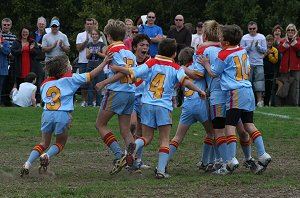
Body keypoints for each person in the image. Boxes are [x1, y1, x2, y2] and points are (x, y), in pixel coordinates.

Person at [111, 38, 206, 178]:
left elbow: (134, 73)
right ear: (174, 54)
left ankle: (134, 146)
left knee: (147, 137)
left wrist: (118, 68)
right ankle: (161, 171)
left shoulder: (151, 62)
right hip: (163, 106)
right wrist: (199, 91)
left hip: (147, 104)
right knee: (164, 139)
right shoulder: (175, 67)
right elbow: (185, 81)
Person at [20, 53, 113, 177]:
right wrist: (104, 62)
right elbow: (91, 75)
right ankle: (47, 155)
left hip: (47, 114)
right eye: (69, 64)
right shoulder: (71, 79)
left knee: (43, 143)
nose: (71, 66)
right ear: (64, 69)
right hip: (63, 114)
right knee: (60, 143)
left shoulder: (44, 84)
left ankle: (27, 163)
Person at [200, 24, 272, 175]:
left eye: (220, 36)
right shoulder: (242, 50)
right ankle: (263, 154)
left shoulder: (223, 54)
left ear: (225, 42)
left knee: (230, 126)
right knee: (249, 125)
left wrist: (206, 64)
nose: (218, 38)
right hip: (247, 89)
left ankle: (231, 160)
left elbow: (214, 73)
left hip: (234, 92)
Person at [94, 19, 137, 175]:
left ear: (109, 36)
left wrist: (103, 82)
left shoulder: (113, 50)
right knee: (125, 130)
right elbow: (133, 72)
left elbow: (120, 71)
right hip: (130, 92)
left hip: (117, 91)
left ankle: (119, 155)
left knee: (100, 124)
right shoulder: (129, 52)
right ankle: (132, 160)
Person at [167, 47, 214, 173]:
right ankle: (205, 162)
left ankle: (163, 163)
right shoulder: (195, 66)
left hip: (187, 105)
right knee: (212, 133)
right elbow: (199, 76)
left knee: (177, 137)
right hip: (200, 102)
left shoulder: (180, 70)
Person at [128, 34, 151, 170]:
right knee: (132, 125)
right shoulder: (130, 61)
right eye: (142, 45)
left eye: (147, 45)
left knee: (142, 131)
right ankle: (129, 153)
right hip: (131, 98)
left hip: (145, 100)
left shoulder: (151, 62)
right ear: (135, 47)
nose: (145, 48)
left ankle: (137, 161)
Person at [240, 21, 267, 107]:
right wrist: (249, 46)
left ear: (257, 28)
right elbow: (241, 51)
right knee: (248, 82)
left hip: (259, 63)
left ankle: (259, 101)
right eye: (250, 29)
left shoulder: (261, 37)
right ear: (248, 29)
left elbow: (265, 50)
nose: (252, 30)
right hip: (248, 63)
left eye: (254, 28)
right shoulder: (244, 38)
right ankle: (248, 100)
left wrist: (258, 47)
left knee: (259, 82)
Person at [277, 24, 300, 106]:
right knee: (284, 85)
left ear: (295, 31)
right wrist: (287, 42)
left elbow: (299, 48)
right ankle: (282, 104)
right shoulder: (283, 41)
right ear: (286, 31)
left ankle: (294, 104)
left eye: (292, 30)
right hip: (284, 67)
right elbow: (279, 49)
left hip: (296, 67)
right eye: (289, 30)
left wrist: (295, 43)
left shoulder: (298, 40)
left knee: (295, 87)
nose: (290, 31)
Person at [76, 18, 94, 107]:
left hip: (93, 61)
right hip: (83, 61)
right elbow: (78, 48)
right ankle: (84, 100)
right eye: (88, 24)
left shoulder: (96, 35)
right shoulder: (80, 35)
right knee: (83, 81)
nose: (89, 25)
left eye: (91, 24)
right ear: (85, 25)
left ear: (93, 25)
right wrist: (86, 41)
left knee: (93, 81)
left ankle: (93, 101)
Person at [86, 29, 106, 107]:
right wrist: (90, 53)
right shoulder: (89, 44)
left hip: (99, 67)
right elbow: (87, 56)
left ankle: (98, 104)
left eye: (96, 34)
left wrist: (98, 53)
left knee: (98, 85)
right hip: (90, 66)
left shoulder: (102, 44)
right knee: (90, 85)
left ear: (98, 35)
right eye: (93, 34)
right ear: (91, 35)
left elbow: (105, 55)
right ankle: (90, 104)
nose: (94, 36)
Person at [1, 18, 16, 106]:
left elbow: (14, 49)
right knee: (2, 82)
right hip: (2, 63)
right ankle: (1, 101)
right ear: (2, 25)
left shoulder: (14, 37)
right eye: (4, 25)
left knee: (9, 82)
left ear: (11, 25)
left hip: (11, 62)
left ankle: (6, 100)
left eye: (8, 25)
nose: (6, 26)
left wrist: (12, 54)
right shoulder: (0, 36)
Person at [32, 17, 47, 106]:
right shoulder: (32, 34)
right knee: (32, 80)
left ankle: (39, 101)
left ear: (45, 25)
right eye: (40, 24)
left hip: (42, 60)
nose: (41, 25)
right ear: (37, 24)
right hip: (32, 59)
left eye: (42, 24)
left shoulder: (47, 35)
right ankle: (32, 100)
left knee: (41, 81)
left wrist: (38, 45)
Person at [263, 34, 278, 106]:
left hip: (270, 71)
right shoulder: (262, 49)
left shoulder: (274, 50)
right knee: (261, 87)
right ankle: (259, 102)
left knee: (268, 89)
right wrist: (265, 54)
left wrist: (269, 55)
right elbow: (259, 58)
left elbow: (275, 60)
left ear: (273, 42)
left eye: (271, 41)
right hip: (262, 71)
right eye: (268, 41)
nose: (269, 43)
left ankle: (266, 103)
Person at [0, 29, 11, 105]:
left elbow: (7, 52)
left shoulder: (5, 42)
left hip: (2, 69)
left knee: (1, 87)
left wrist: (1, 46)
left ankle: (1, 102)